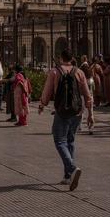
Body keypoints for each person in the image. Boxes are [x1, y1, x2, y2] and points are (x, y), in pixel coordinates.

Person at [38, 48, 94, 190]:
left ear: (61, 58)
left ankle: (72, 168)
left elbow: (47, 90)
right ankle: (68, 176)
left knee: (59, 140)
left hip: (62, 111)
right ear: (72, 58)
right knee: (70, 140)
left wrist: (42, 104)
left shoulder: (55, 71)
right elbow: (88, 95)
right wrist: (91, 114)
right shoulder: (79, 72)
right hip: (77, 112)